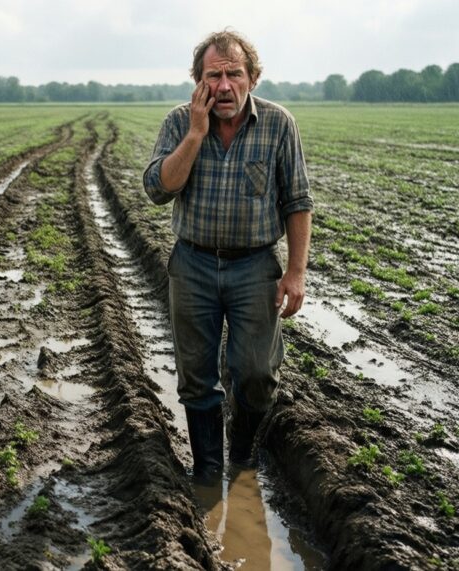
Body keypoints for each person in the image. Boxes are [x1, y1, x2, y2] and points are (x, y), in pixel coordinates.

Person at [142, 30, 313, 484]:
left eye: (233, 74)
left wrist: (296, 273)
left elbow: (297, 201)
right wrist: (196, 135)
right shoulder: (181, 123)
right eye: (212, 76)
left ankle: (241, 456)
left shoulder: (278, 125)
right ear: (198, 82)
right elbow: (158, 189)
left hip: (255, 266)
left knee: (256, 372)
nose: (223, 86)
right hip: (193, 264)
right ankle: (207, 469)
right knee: (196, 376)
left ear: (252, 79)